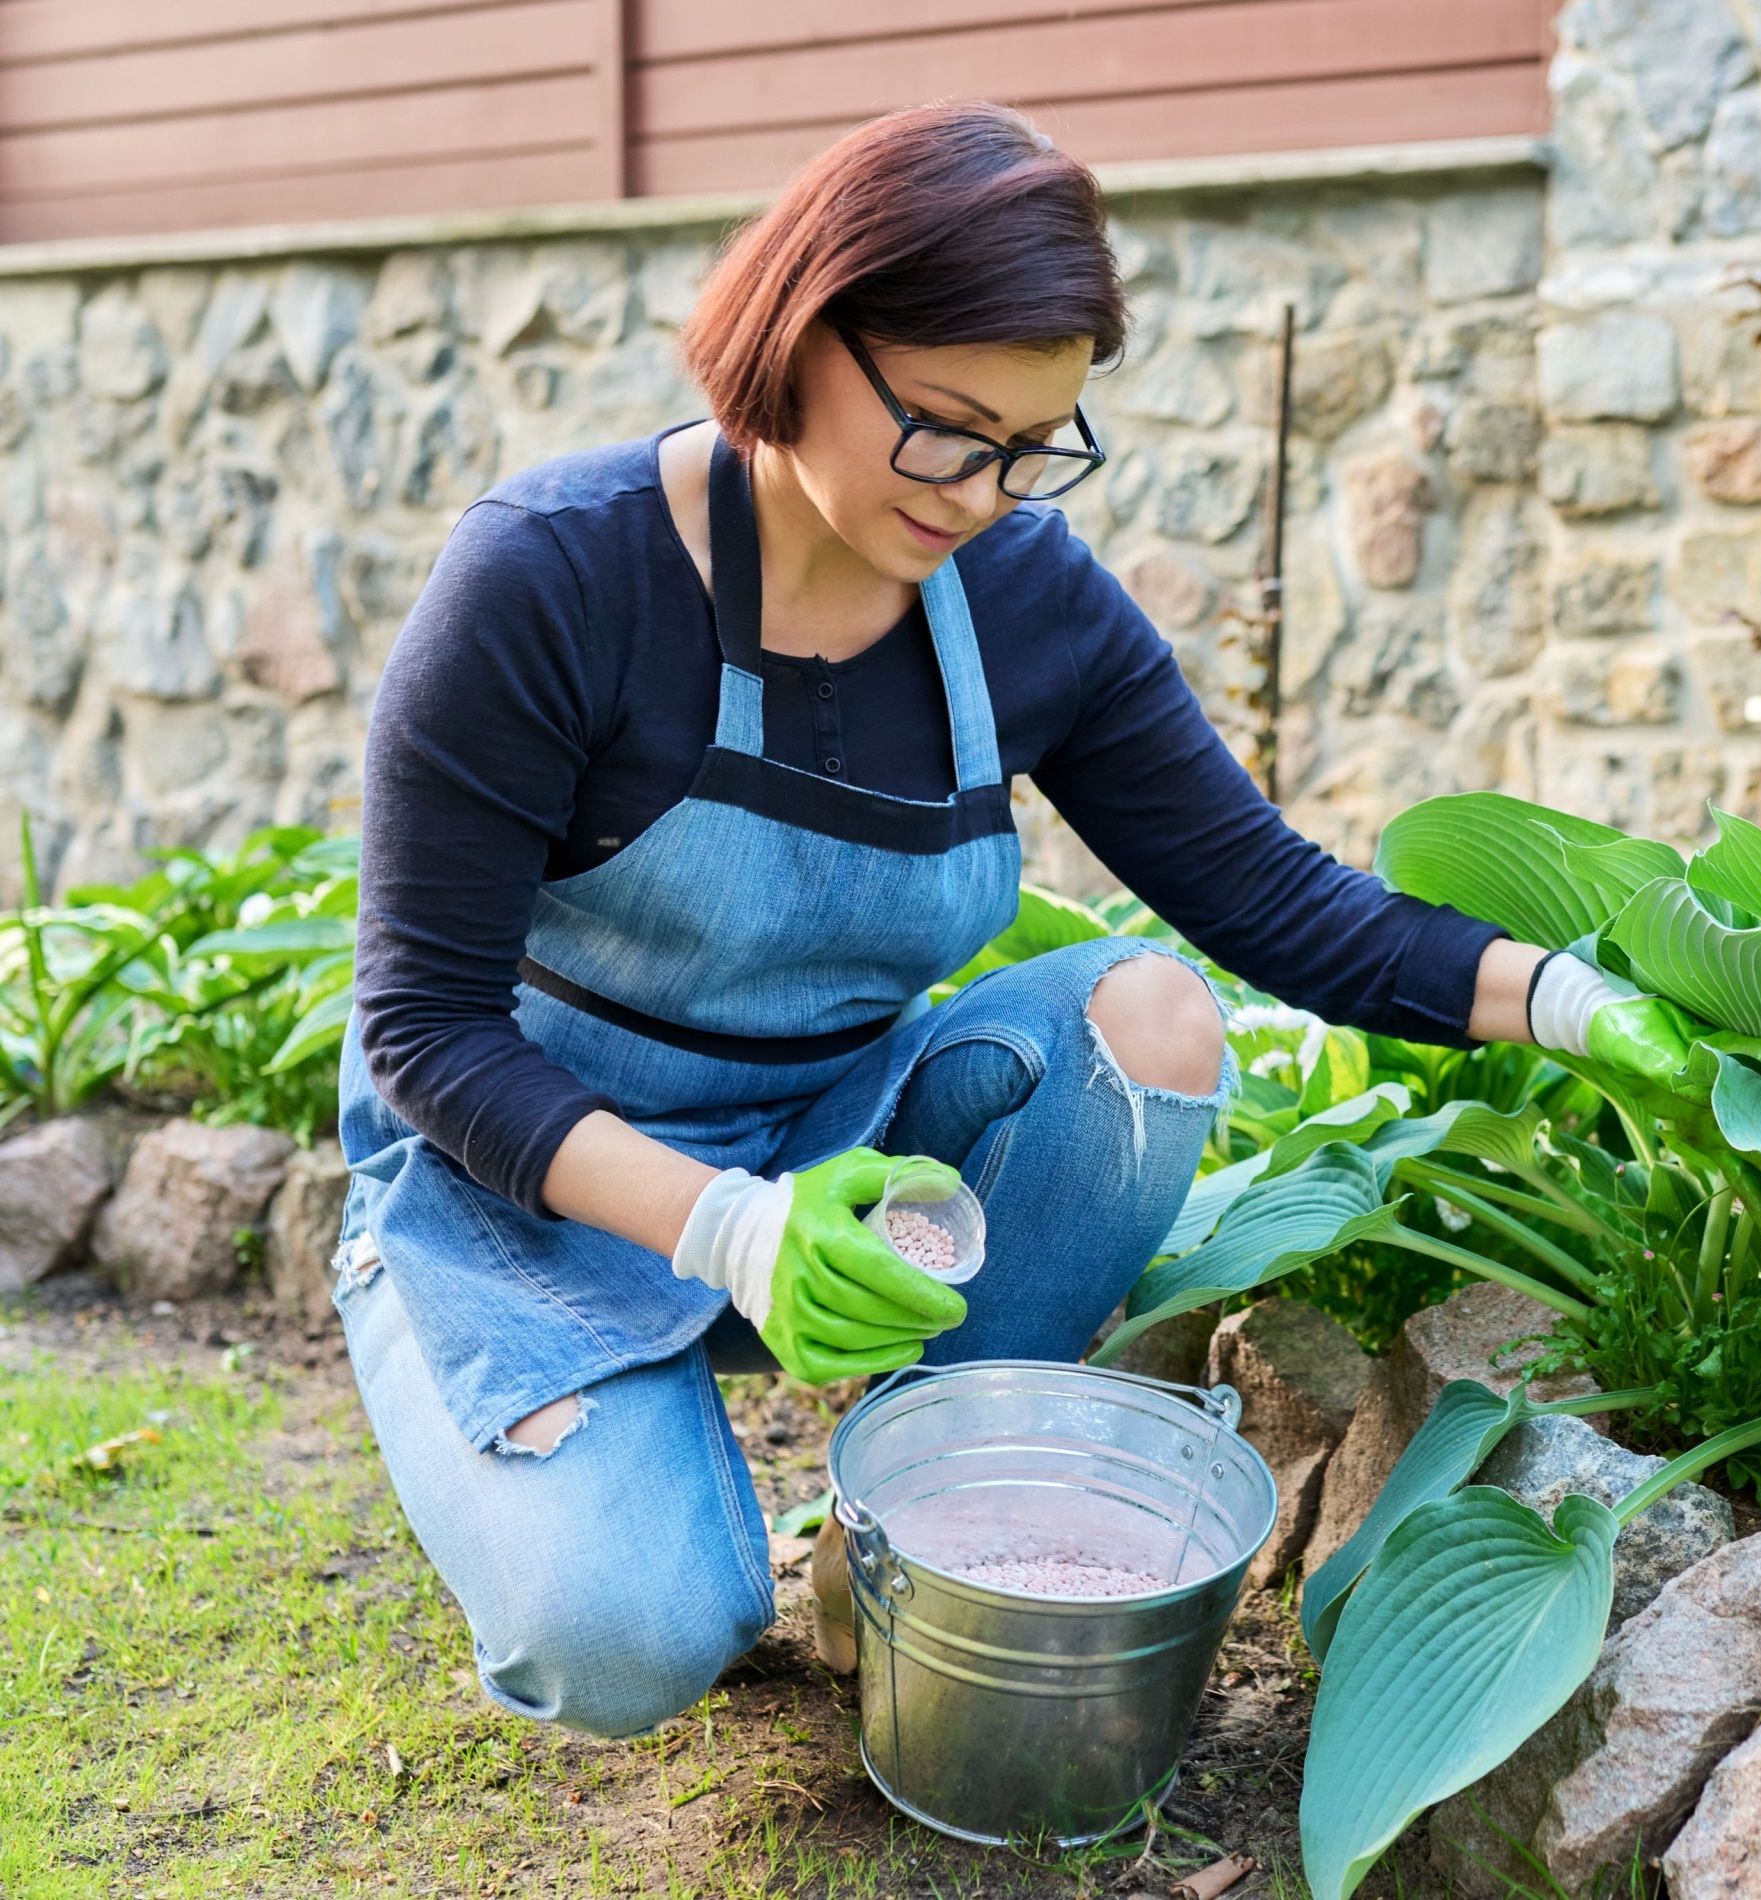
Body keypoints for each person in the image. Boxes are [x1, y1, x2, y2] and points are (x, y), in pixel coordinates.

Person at [333, 101, 1677, 1740]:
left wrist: (1582, 1000)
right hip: (518, 1189)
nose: (984, 494)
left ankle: (899, 1538)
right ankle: (610, 1439)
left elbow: (1271, 902)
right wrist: (730, 1227)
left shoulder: (1033, 603)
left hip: (839, 1141)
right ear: (803, 330)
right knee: (628, 1637)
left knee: (1150, 1026)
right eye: (948, 429)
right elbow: (426, 1033)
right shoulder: (554, 579)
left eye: (1035, 445)